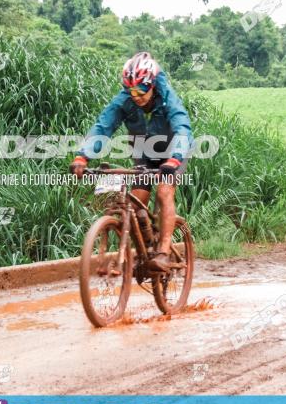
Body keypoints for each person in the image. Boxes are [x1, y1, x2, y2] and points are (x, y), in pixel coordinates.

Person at [69, 51, 193, 273]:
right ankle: (143, 250)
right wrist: (83, 156)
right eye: (131, 90)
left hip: (173, 152)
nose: (136, 96)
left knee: (164, 192)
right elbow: (103, 126)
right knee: (136, 203)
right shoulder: (125, 99)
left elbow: (182, 128)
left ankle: (163, 252)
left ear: (152, 84)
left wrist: (174, 159)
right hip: (144, 152)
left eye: (141, 90)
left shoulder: (168, 99)